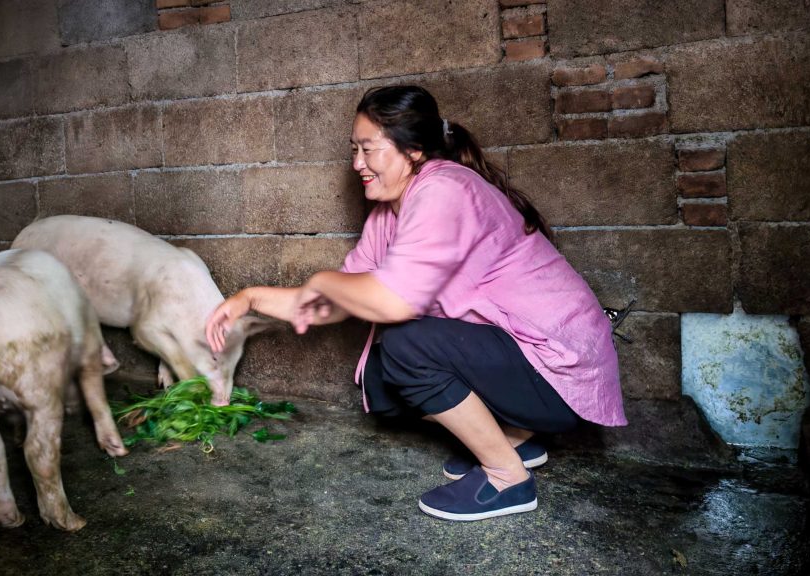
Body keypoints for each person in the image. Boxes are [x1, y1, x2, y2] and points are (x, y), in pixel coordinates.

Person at [205, 85, 627, 522]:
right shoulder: (387, 213)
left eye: (368, 149)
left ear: (413, 150)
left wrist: (323, 281)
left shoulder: (444, 189)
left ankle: (507, 478)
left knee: (407, 344)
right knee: (379, 377)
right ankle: (515, 438)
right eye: (354, 150)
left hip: (560, 370)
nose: (356, 164)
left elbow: (393, 303)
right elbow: (339, 300)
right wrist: (247, 298)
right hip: (524, 365)